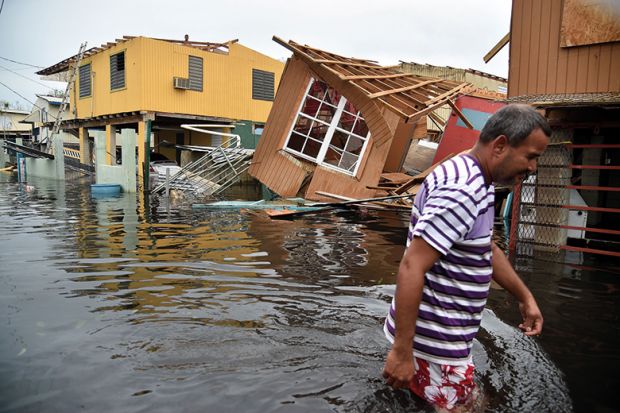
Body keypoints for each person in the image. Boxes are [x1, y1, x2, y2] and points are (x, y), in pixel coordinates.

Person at [382, 104, 550, 410]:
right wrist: (402, 352)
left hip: (441, 338)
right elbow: (411, 265)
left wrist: (525, 297)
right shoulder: (463, 191)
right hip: (436, 345)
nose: (532, 168)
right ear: (500, 145)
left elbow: (485, 246)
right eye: (530, 156)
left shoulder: (477, 177)